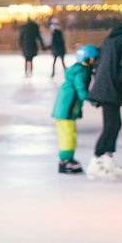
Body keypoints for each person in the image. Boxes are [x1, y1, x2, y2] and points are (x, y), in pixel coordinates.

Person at [86, 11, 122, 180]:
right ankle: (96, 161)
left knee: (115, 124)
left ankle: (107, 159)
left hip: (105, 85)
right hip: (112, 87)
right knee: (111, 125)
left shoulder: (113, 36)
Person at [51, 44, 99, 174]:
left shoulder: (78, 70)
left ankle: (66, 159)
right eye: (95, 59)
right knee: (68, 136)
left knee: (66, 135)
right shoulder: (81, 72)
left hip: (63, 108)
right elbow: (82, 92)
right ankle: (65, 161)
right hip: (66, 110)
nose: (96, 62)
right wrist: (94, 101)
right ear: (88, 59)